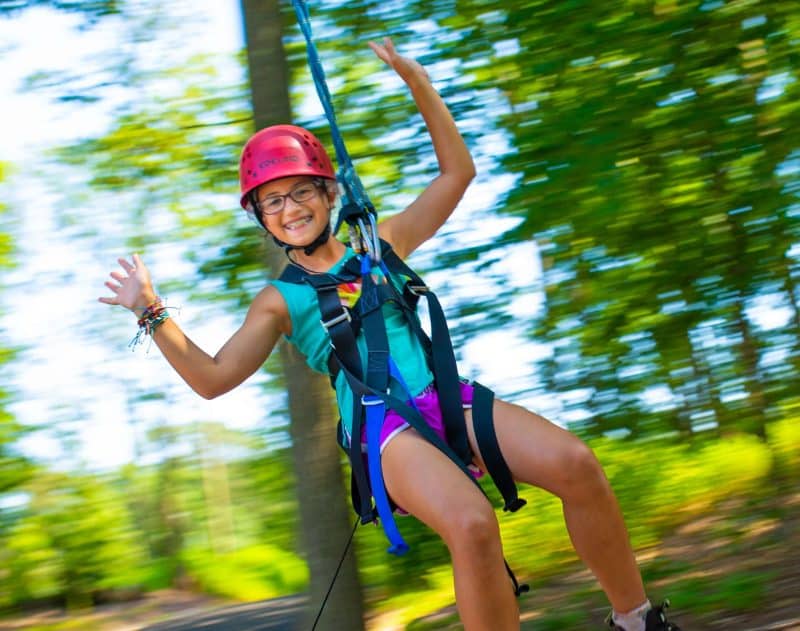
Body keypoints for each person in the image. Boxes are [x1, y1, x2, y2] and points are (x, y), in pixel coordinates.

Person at [99, 37, 680, 631]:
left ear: (330, 193)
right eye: (272, 201)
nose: (289, 207)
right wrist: (152, 311)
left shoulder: (382, 244)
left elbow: (458, 173)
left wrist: (417, 82)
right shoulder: (281, 301)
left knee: (576, 462)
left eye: (301, 189)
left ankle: (635, 621)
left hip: (445, 396)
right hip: (383, 428)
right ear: (260, 217)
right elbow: (214, 379)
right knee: (472, 525)